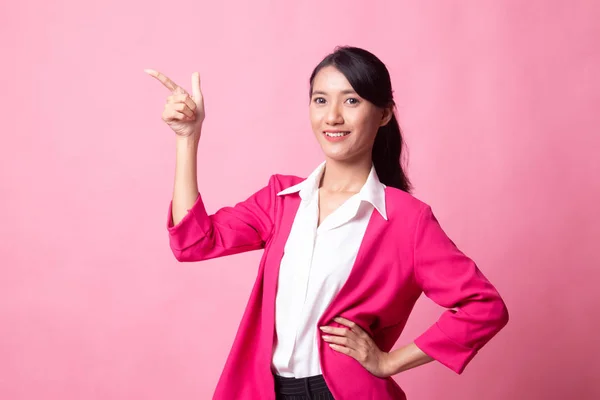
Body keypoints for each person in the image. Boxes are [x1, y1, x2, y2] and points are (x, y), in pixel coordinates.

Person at [145, 46, 509, 400]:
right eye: (320, 100)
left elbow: (483, 307)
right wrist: (187, 138)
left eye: (351, 101)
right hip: (266, 389)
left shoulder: (406, 220)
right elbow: (193, 242)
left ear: (383, 114)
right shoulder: (281, 199)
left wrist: (389, 362)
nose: (332, 116)